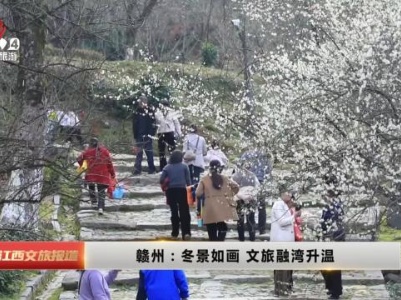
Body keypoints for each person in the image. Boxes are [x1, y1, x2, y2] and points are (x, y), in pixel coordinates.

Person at [195, 160, 239, 241]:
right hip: (222, 205)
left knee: (211, 227)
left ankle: (214, 244)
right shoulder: (225, 178)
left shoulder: (204, 179)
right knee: (222, 225)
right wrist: (229, 194)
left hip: (209, 206)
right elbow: (236, 187)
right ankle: (220, 241)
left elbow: (198, 193)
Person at [270, 189, 301, 296]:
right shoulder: (278, 204)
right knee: (281, 267)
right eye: (288, 193)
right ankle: (280, 289)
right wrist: (294, 216)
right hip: (280, 240)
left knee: (287, 267)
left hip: (287, 240)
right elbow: (282, 221)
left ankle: (287, 287)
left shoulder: (286, 205)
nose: (290, 196)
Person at [77, 138, 116, 215]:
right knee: (101, 191)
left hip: (91, 174)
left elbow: (78, 159)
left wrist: (83, 165)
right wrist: (112, 174)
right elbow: (109, 164)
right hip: (102, 175)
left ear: (90, 144)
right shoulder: (105, 151)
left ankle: (93, 201)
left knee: (91, 185)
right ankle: (100, 207)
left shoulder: (87, 152)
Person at [159, 150, 192, 241]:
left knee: (174, 212)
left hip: (170, 191)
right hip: (182, 191)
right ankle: (186, 233)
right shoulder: (184, 166)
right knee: (184, 212)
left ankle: (175, 233)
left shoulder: (167, 167)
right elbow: (188, 181)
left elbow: (161, 180)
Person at [239, 148, 273, 235]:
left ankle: (251, 227)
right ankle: (262, 228)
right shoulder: (265, 154)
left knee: (250, 204)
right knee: (261, 206)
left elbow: (240, 166)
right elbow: (269, 169)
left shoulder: (246, 154)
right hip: (262, 182)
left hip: (250, 181)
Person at [320, 189, 345, 300]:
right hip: (328, 237)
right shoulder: (329, 206)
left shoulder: (336, 207)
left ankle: (335, 291)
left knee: (334, 267)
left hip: (335, 237)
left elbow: (333, 222)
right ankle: (331, 288)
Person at [231, 163, 260, 242]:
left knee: (240, 219)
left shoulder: (235, 176)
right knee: (251, 219)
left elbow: (231, 188)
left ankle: (241, 238)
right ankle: (252, 237)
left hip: (239, 199)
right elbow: (257, 187)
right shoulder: (253, 176)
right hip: (250, 198)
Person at [155, 100, 182, 171]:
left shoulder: (172, 112)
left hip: (170, 132)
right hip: (161, 132)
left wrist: (179, 132)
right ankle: (162, 166)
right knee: (161, 150)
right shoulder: (158, 113)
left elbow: (176, 123)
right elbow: (156, 123)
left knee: (172, 150)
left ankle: (174, 165)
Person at [132, 95, 157, 175]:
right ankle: (137, 169)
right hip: (139, 135)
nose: (142, 104)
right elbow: (135, 124)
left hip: (147, 135)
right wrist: (135, 135)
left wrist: (151, 134)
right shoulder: (137, 111)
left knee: (149, 152)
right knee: (139, 153)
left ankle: (151, 168)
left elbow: (153, 124)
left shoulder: (150, 111)